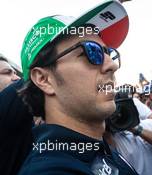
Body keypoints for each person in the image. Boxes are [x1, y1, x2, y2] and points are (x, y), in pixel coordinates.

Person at [18, 1, 138, 174]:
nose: (112, 65)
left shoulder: (99, 147)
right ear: (44, 79)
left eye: (109, 53)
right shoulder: (47, 170)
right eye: (91, 51)